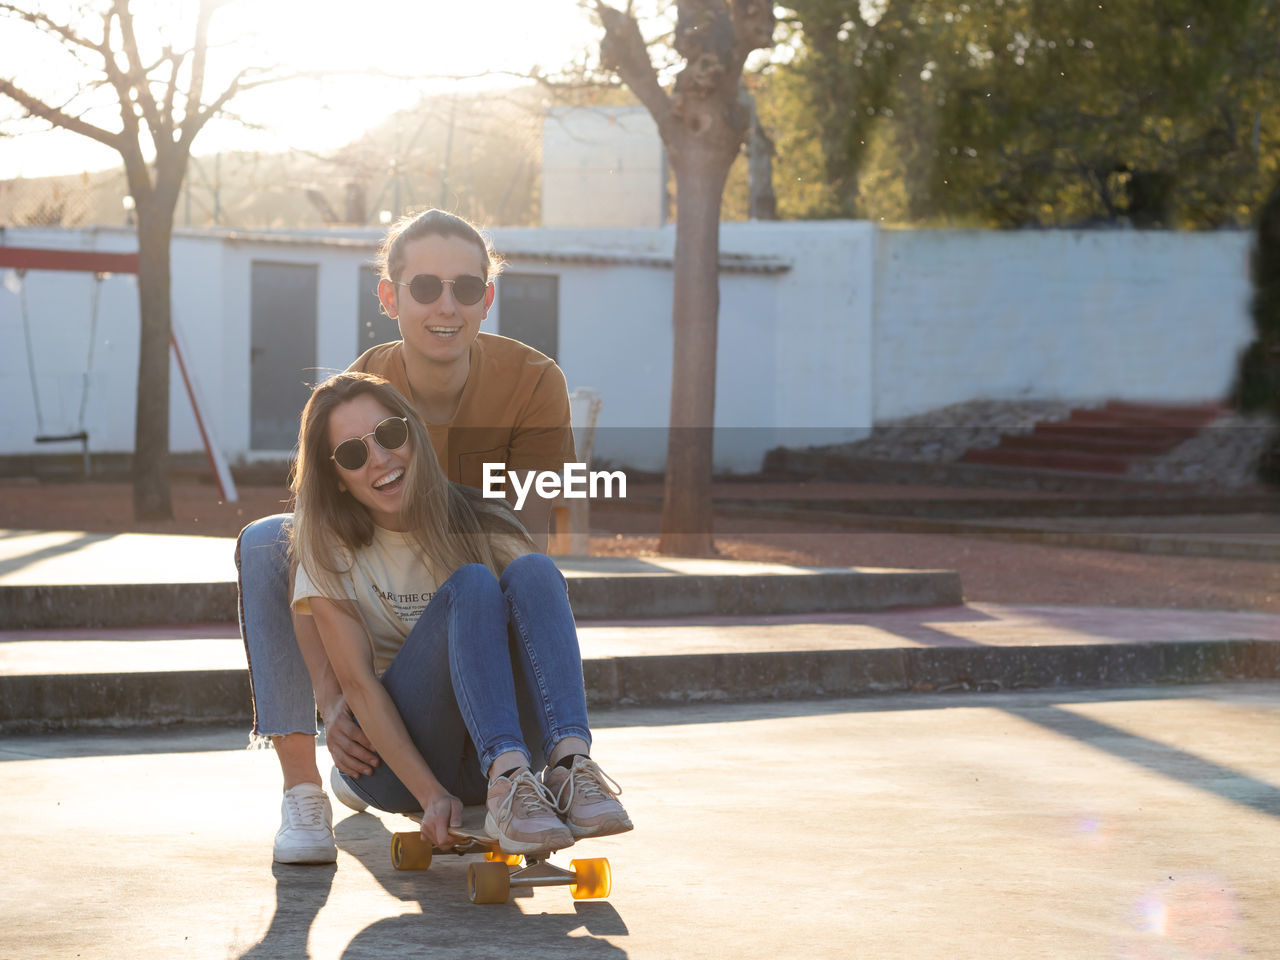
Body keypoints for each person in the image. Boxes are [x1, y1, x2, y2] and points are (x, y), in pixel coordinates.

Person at [236, 209, 577, 863]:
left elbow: (521, 536)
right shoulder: (369, 381)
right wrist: (336, 698)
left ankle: (536, 764)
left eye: (465, 288)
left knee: (486, 582)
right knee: (267, 541)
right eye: (425, 288)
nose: (445, 306)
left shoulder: (534, 383)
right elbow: (334, 527)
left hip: (478, 598)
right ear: (390, 297)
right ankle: (305, 788)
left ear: (487, 298)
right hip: (399, 632)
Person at [290, 372, 630, 854]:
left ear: (413, 433)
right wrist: (430, 797)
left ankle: (570, 766)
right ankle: (510, 777)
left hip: (497, 748)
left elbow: (540, 618)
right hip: (395, 768)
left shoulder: (480, 518)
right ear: (337, 480)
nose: (381, 459)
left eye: (389, 435)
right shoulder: (328, 547)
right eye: (353, 454)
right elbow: (360, 687)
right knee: (470, 584)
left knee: (534, 569)